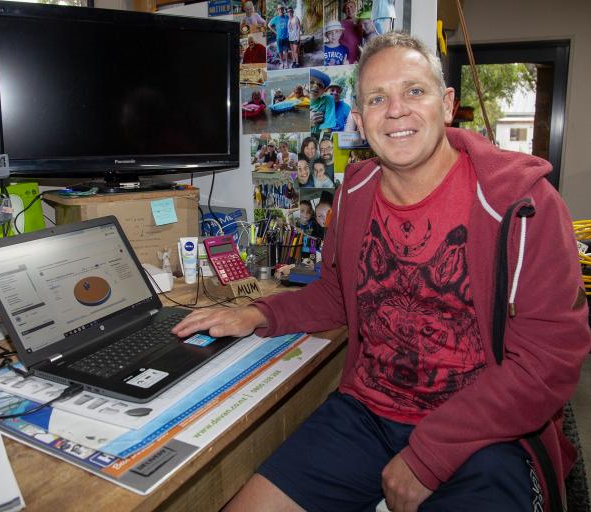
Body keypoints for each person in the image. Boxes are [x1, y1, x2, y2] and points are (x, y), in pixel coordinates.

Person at [173, 32, 591, 512]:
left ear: (447, 103)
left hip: (486, 434)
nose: (396, 110)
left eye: (414, 90)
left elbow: (549, 363)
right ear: (359, 118)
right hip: (367, 414)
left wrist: (426, 458)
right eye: (377, 98)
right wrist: (259, 314)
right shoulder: (355, 192)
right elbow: (338, 294)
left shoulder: (526, 206)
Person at [309, 68, 336, 135]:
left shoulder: (328, 99)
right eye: (311, 82)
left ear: (324, 91)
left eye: (320, 85)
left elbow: (327, 128)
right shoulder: (297, 100)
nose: (315, 86)